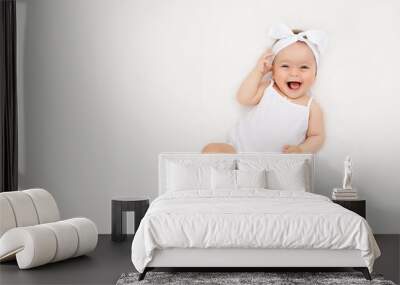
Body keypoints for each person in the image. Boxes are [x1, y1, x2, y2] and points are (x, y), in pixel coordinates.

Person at [202, 23, 327, 154]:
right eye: (285, 66)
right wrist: (258, 72)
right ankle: (230, 172)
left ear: (315, 74)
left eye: (304, 67)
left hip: (274, 163)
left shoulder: (311, 107)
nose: (294, 73)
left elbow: (317, 136)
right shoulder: (269, 89)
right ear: (273, 70)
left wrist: (301, 149)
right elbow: (244, 98)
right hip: (238, 152)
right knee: (211, 150)